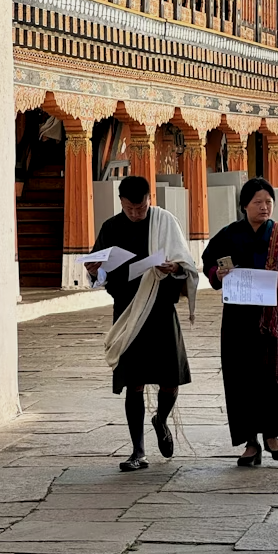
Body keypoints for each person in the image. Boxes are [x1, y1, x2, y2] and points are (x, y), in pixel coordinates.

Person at [85, 174, 198, 472]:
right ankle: (138, 451)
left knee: (170, 379)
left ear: (150, 200)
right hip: (128, 308)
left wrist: (174, 266)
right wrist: (94, 270)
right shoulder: (110, 227)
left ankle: (161, 419)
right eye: (130, 208)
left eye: (141, 208)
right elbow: (99, 272)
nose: (136, 213)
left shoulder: (165, 221)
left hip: (160, 306)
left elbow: (185, 262)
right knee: (132, 382)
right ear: (121, 202)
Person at [202, 177, 278, 466]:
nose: (264, 207)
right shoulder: (229, 234)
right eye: (258, 202)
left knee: (271, 375)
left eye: (268, 202)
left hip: (272, 316)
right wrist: (217, 274)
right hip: (237, 316)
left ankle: (272, 433)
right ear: (244, 206)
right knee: (239, 377)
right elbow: (209, 262)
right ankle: (250, 442)